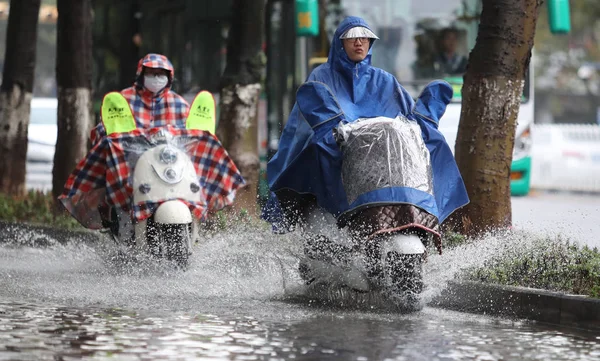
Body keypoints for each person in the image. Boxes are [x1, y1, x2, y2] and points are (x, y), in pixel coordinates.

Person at [264, 16, 469, 232]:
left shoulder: (385, 80)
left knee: (431, 143)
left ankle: (431, 213)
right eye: (351, 38)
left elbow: (408, 123)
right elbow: (307, 126)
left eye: (365, 38)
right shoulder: (321, 76)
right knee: (316, 149)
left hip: (382, 163)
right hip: (341, 156)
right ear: (339, 43)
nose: (359, 43)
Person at [90, 53, 190, 145]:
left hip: (170, 161)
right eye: (150, 72)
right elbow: (103, 130)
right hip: (128, 161)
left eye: (160, 74)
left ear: (169, 77)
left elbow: (193, 136)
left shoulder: (180, 104)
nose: (156, 77)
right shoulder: (123, 100)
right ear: (141, 75)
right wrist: (105, 132)